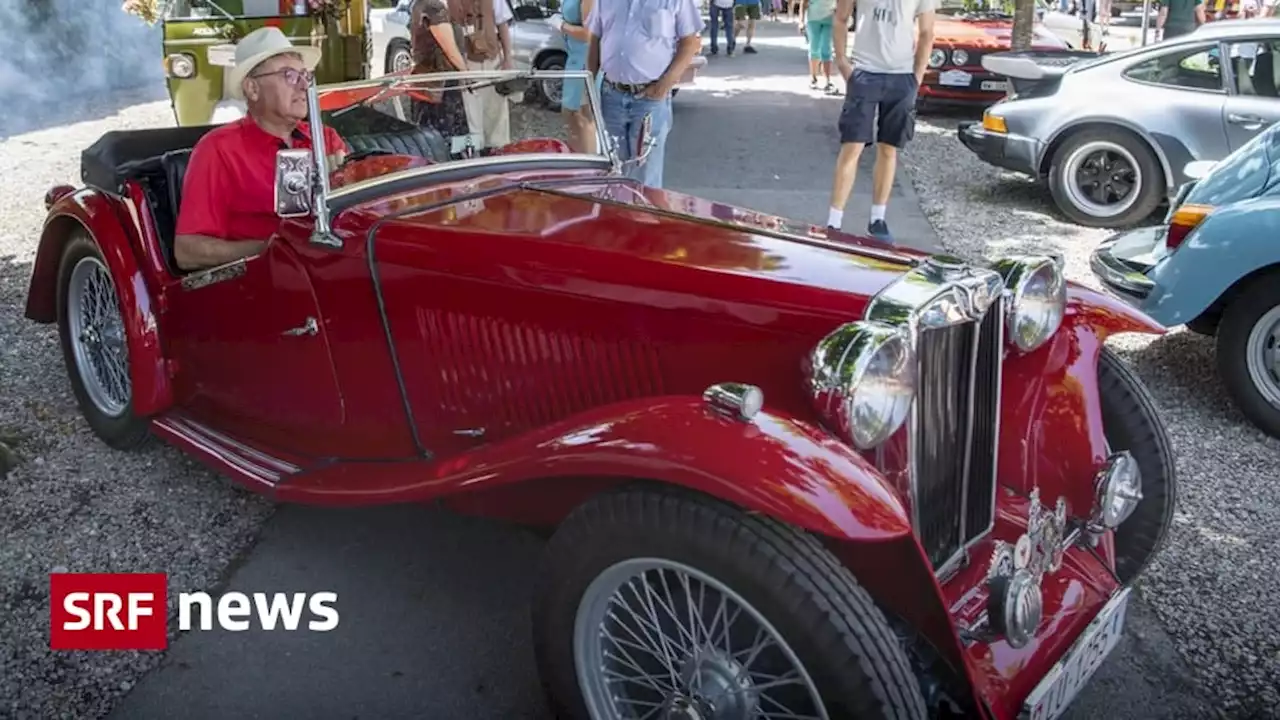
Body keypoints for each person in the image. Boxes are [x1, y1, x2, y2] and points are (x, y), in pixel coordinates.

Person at [173, 27, 349, 271]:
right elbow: (187, 251)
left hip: (332, 269)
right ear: (252, 89)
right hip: (262, 285)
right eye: (289, 75)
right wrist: (276, 249)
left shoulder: (325, 137)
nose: (302, 86)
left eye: (305, 76)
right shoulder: (218, 150)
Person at [825, 0, 936, 242]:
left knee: (888, 148)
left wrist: (916, 77)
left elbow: (927, 32)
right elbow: (841, 17)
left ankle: (877, 219)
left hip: (902, 76)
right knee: (852, 146)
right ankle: (833, 223)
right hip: (865, 72)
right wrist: (842, 61)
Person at [586, 0, 704, 188]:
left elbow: (690, 43)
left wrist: (664, 85)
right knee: (612, 167)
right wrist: (589, 91)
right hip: (611, 95)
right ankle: (618, 215)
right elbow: (594, 41)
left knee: (645, 174)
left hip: (650, 100)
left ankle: (643, 216)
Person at [450, 0, 516, 151]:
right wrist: (461, 69)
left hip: (492, 62)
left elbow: (502, 25)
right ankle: (472, 156)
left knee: (497, 116)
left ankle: (498, 154)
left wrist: (508, 59)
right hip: (466, 66)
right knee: (470, 117)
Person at [409, 0, 472, 155]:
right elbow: (450, 49)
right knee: (448, 140)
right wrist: (467, 74)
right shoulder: (433, 7)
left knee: (434, 140)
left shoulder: (421, 5)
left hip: (431, 83)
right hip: (441, 86)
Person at [556, 0, 600, 153]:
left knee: (583, 116)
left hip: (585, 59)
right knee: (571, 115)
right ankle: (577, 161)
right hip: (574, 57)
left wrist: (563, 26)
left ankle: (590, 166)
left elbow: (589, 34)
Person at [807, 0, 837, 93]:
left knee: (826, 48)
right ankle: (813, 78)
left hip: (829, 18)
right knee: (814, 48)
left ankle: (827, 81)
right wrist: (800, 21)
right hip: (813, 19)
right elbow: (803, 3)